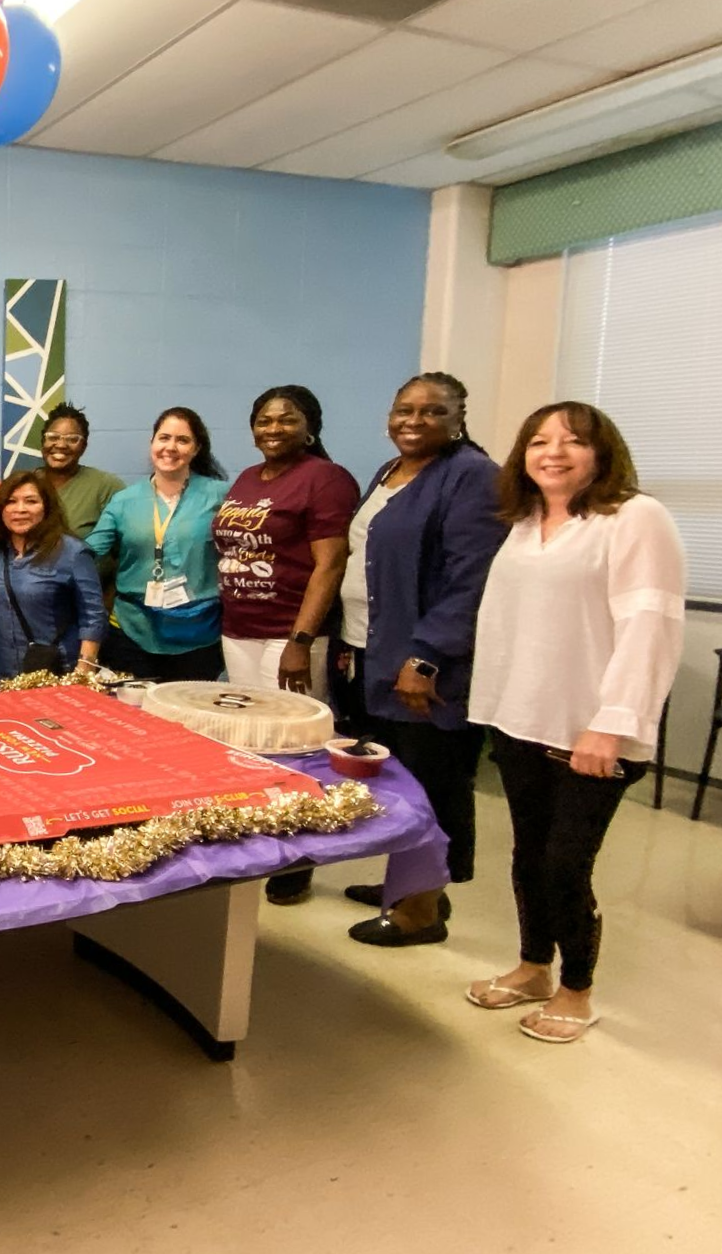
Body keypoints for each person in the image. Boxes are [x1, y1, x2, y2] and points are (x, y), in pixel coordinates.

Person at [465, 402, 684, 1045]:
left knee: (565, 865)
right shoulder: (526, 521)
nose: (552, 453)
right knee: (528, 855)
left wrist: (611, 723)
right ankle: (533, 967)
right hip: (520, 718)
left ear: (602, 452)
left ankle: (576, 990)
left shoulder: (635, 518)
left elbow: (650, 627)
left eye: (571, 441)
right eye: (538, 441)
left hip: (591, 731)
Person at [330, 375, 506, 948]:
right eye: (404, 409)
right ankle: (409, 883)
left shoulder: (473, 476)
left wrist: (427, 656)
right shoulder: (391, 471)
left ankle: (421, 911)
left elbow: (471, 580)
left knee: (431, 782)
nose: (414, 420)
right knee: (397, 779)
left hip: (424, 663)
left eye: (433, 411)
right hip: (370, 647)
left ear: (458, 418)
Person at [213, 385, 358, 905]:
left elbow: (330, 564)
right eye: (264, 420)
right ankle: (263, 840)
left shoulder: (327, 479)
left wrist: (301, 639)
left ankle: (301, 858)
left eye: (287, 419)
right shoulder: (248, 479)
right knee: (251, 743)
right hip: (240, 629)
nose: (274, 429)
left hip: (290, 633)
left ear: (310, 426)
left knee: (298, 748)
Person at [85, 408, 227, 682]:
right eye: (164, 438)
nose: (170, 447)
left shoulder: (220, 496)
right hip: (133, 630)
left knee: (188, 706)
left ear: (197, 449)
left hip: (199, 634)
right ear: (152, 443)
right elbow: (88, 551)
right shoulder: (124, 501)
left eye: (182, 440)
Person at [0, 470, 106, 687]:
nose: (20, 509)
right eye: (11, 501)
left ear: (46, 507)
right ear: (0, 509)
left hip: (57, 674)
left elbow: (93, 616)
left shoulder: (73, 552)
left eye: (31, 501)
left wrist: (84, 670)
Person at [38, 404, 125, 540]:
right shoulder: (25, 484)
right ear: (43, 442)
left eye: (72, 439)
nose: (61, 445)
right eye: (53, 437)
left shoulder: (105, 486)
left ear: (83, 447)